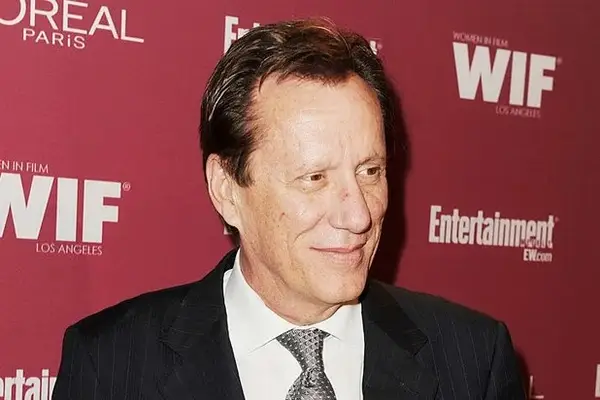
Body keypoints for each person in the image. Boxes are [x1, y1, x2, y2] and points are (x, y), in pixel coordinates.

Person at [52, 18, 526, 400]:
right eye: (315, 178)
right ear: (227, 190)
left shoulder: (473, 360)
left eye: (370, 171)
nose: (358, 216)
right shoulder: (111, 365)